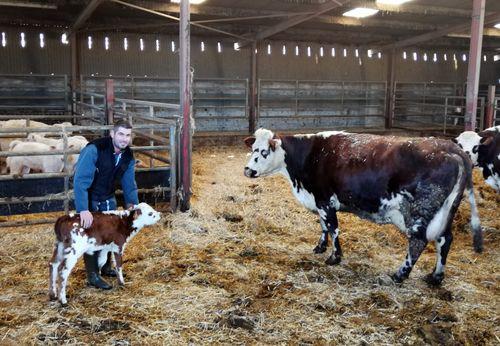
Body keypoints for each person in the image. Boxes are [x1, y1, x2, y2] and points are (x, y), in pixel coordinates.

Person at [73, 119, 138, 290]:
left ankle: (106, 267)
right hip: (91, 197)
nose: (124, 139)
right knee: (92, 235)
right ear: (112, 134)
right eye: (121, 134)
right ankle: (92, 275)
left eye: (128, 135)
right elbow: (80, 180)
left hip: (108, 196)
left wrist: (132, 204)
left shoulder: (128, 156)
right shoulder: (95, 149)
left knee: (111, 232)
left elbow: (129, 182)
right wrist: (83, 209)